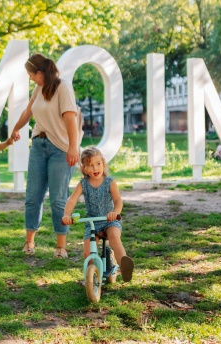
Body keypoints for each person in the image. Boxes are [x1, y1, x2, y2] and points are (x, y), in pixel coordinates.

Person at [9, 53, 80, 258]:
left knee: (58, 199)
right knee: (33, 197)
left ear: (40, 73)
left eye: (31, 75)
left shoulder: (63, 88)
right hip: (38, 146)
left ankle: (61, 246)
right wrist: (16, 128)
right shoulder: (38, 89)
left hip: (60, 148)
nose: (30, 78)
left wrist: (73, 147)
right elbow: (27, 112)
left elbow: (70, 120)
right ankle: (29, 242)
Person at [61, 147, 135, 282]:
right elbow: (72, 200)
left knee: (114, 237)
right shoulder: (83, 184)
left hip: (109, 220)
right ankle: (92, 276)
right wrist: (67, 214)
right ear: (84, 169)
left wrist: (115, 213)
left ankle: (124, 267)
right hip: (93, 222)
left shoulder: (109, 182)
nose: (95, 168)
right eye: (90, 165)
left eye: (98, 164)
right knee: (87, 252)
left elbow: (118, 201)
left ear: (103, 164)